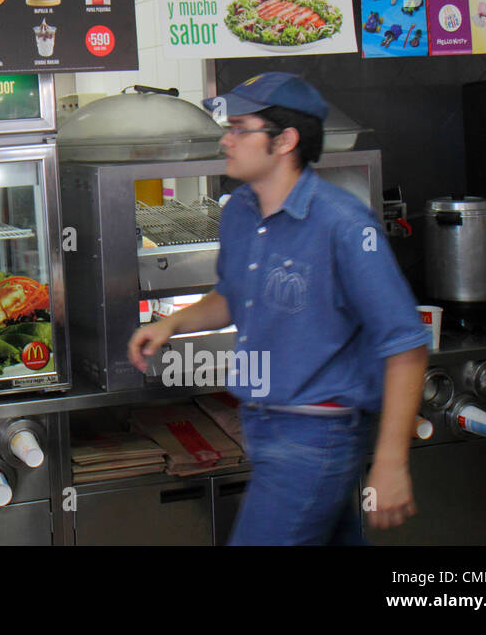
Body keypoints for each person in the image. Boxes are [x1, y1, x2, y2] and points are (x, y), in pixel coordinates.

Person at [128, 72, 428, 545]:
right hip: (263, 426)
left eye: (240, 128)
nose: (226, 139)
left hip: (316, 435)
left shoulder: (343, 225)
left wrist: (391, 461)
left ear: (285, 140)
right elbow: (231, 295)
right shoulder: (241, 211)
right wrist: (172, 324)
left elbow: (406, 345)